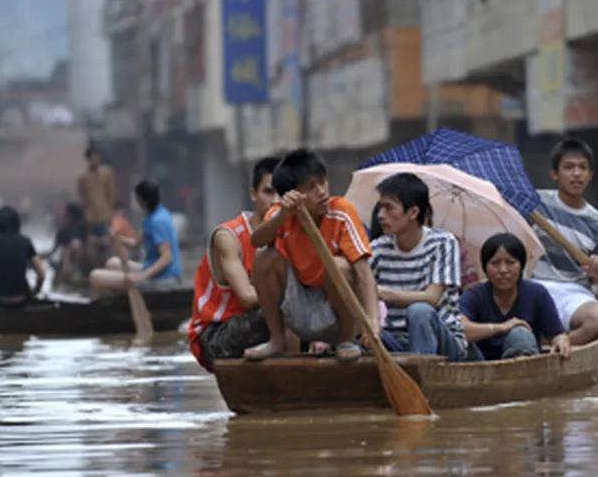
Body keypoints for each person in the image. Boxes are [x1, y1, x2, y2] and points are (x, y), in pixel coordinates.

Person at [243, 148, 378, 363]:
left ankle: (345, 340)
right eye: (311, 187)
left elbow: (363, 271)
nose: (322, 192)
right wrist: (282, 217)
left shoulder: (341, 211)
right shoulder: (281, 213)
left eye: (322, 182)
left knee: (340, 266)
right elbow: (256, 241)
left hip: (337, 309)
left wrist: (372, 321)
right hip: (299, 307)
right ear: (292, 195)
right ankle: (276, 340)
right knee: (264, 257)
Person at [188, 156, 280, 372]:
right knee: (288, 313)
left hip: (262, 323)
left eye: (281, 193)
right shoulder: (229, 236)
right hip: (215, 337)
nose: (276, 200)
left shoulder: (291, 233)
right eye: (268, 192)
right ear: (253, 194)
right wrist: (292, 297)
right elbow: (247, 297)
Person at [369, 173, 470, 361]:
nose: (380, 216)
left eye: (389, 208)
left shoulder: (442, 243)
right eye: (380, 208)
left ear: (413, 212)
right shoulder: (378, 248)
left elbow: (431, 298)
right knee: (364, 331)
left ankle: (422, 377)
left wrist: (383, 293)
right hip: (398, 341)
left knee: (419, 311)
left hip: (444, 343)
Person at [530, 135, 598, 346]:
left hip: (573, 290)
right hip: (535, 286)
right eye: (568, 167)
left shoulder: (597, 223)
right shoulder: (535, 204)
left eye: (582, 167)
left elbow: (595, 274)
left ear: (590, 174)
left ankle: (559, 345)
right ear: (555, 174)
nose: (576, 173)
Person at [459, 233, 571, 360]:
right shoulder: (475, 295)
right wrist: (500, 328)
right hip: (483, 368)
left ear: (521, 265)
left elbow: (556, 333)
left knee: (520, 333)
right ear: (485, 267)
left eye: (510, 262)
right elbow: (459, 329)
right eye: (495, 263)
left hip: (525, 362)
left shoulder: (536, 293)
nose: (503, 270)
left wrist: (561, 342)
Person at [90, 179, 183, 293]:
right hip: (152, 271)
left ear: (142, 200)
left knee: (95, 276)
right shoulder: (150, 216)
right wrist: (118, 238)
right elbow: (136, 243)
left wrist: (142, 277)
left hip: (165, 280)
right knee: (111, 263)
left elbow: (166, 258)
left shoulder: (157, 221)